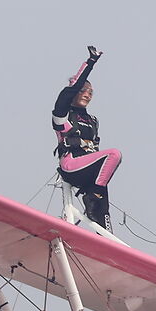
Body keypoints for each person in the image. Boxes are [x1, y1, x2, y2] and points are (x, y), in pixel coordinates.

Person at [51, 45, 120, 230]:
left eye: (91, 92)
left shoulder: (93, 121)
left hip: (90, 175)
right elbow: (69, 92)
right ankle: (93, 195)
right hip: (71, 166)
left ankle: (106, 244)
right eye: (84, 90)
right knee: (114, 154)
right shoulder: (63, 115)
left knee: (103, 218)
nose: (88, 94)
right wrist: (90, 62)